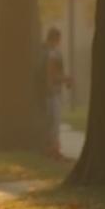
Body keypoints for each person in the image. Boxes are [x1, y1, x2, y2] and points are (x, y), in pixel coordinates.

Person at [41, 28, 72, 158]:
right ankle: (53, 150)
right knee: (54, 122)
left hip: (51, 92)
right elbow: (51, 75)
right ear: (56, 39)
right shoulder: (52, 54)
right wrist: (65, 79)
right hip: (52, 93)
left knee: (52, 122)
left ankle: (53, 149)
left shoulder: (46, 52)